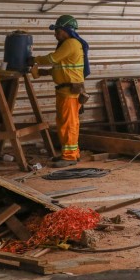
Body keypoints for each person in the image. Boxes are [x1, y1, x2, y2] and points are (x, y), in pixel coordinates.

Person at [30, 14, 90, 168]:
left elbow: (53, 59)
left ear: (66, 30)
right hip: (65, 91)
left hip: (69, 92)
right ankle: (71, 153)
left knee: (68, 124)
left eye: (57, 30)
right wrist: (45, 72)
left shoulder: (71, 43)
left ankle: (69, 157)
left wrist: (34, 59)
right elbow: (62, 67)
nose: (55, 33)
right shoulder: (68, 44)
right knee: (66, 123)